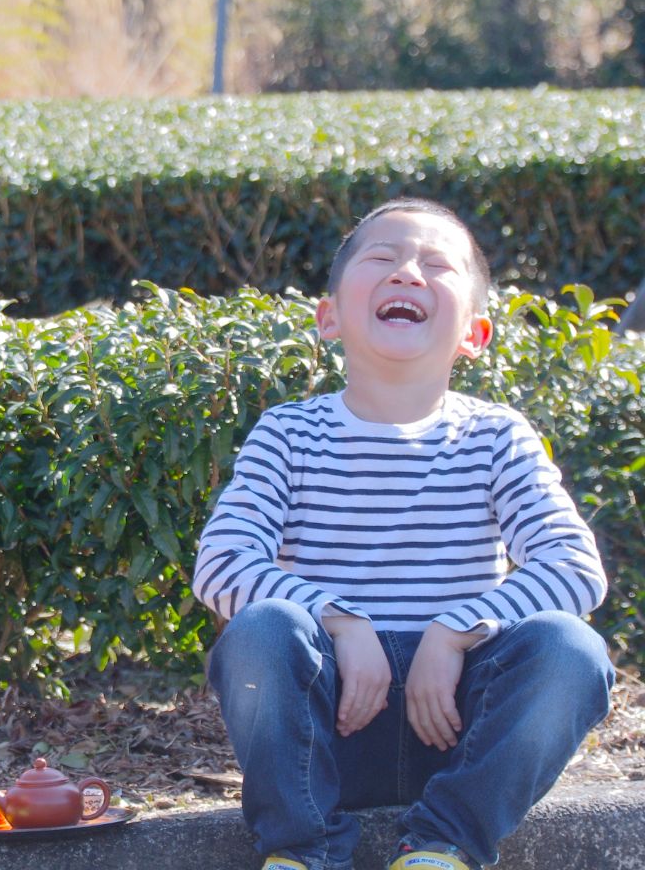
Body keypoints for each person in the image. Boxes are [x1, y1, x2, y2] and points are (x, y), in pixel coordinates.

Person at [191, 198, 615, 870]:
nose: (407, 273)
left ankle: (444, 845)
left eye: (436, 265)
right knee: (262, 631)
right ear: (329, 318)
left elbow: (573, 566)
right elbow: (221, 562)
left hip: (460, 731)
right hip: (326, 733)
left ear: (475, 334)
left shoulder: (496, 436)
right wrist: (339, 620)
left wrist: (455, 631)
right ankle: (303, 851)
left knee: (571, 650)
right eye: (382, 258)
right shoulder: (288, 434)